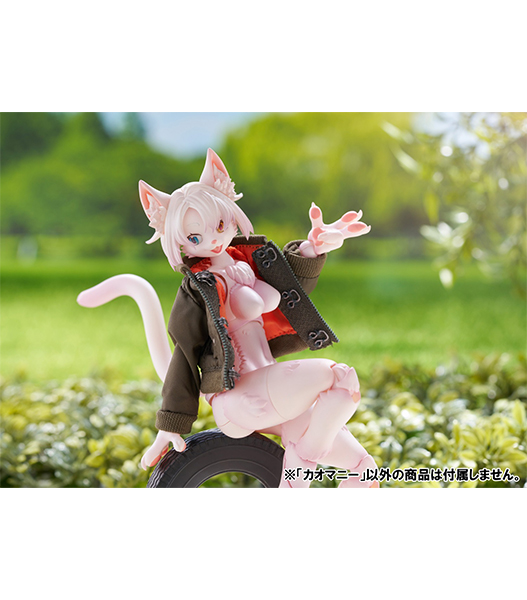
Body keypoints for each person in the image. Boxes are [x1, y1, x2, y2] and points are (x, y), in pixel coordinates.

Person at [79, 148, 378, 488]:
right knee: (339, 377)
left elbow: (291, 290)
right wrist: (171, 422)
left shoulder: (247, 262)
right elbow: (185, 354)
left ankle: (300, 467)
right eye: (195, 238)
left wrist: (314, 247)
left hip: (271, 385)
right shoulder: (200, 288)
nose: (213, 240)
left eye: (220, 225)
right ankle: (303, 461)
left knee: (364, 469)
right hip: (238, 397)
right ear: (178, 241)